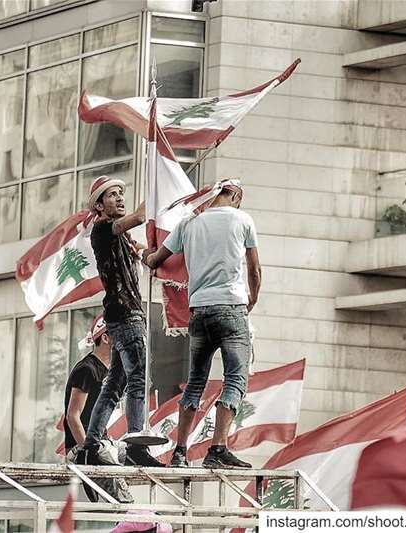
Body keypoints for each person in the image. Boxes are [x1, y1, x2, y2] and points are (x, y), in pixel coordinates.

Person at [143, 178, 261, 469]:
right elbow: (254, 269)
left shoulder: (188, 223)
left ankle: (180, 452)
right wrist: (252, 300)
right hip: (231, 307)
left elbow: (156, 259)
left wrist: (143, 252)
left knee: (196, 381)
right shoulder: (243, 220)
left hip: (199, 311)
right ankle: (218, 448)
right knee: (236, 376)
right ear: (233, 194)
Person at [78, 175, 164, 468]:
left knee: (115, 382)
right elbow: (139, 216)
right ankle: (136, 444)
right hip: (126, 313)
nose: (119, 198)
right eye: (112, 194)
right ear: (100, 205)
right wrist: (158, 184)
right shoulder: (103, 229)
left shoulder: (122, 239)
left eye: (120, 193)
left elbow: (148, 255)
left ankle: (91, 443)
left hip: (120, 315)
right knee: (138, 376)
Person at [63, 315, 110, 461]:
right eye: (120, 333)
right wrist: (88, 451)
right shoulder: (87, 369)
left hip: (98, 443)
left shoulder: (110, 370)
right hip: (81, 446)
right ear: (105, 338)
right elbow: (72, 415)